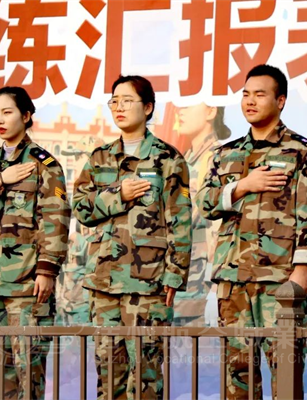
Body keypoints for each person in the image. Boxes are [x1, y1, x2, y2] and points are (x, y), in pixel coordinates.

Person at [197, 64, 307, 400]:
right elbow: (205, 203)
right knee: (236, 373)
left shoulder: (303, 152)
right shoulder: (225, 153)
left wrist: (302, 270)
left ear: (280, 101)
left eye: (260, 94)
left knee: (285, 370)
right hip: (233, 277)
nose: (250, 101)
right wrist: (243, 186)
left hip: (280, 281)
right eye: (245, 94)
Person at [72, 75, 191, 400]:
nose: (119, 107)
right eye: (114, 101)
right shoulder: (99, 158)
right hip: (103, 283)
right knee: (108, 377)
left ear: (148, 107)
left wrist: (174, 274)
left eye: (127, 100)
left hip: (148, 284)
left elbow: (180, 220)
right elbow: (81, 208)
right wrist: (118, 194)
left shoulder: (168, 158)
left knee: (146, 378)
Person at [0, 86, 70, 400]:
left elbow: (56, 219)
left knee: (27, 368)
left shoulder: (44, 164)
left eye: (7, 112)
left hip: (27, 285)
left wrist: (46, 271)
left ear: (26, 116)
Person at [175, 104, 231, 326]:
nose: (181, 110)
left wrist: (216, 287)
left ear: (210, 111)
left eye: (189, 104)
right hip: (181, 279)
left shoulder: (219, 159)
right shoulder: (186, 159)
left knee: (198, 344)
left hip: (202, 284)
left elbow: (221, 228)